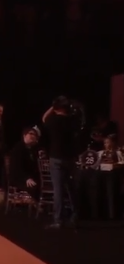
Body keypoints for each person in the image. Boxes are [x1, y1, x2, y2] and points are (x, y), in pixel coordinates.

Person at [42, 96, 78, 229]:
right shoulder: (72, 120)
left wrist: (52, 107)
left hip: (56, 157)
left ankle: (58, 220)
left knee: (58, 190)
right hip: (70, 158)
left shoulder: (53, 120)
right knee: (71, 188)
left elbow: (44, 118)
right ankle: (75, 216)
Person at [8, 126, 41, 200]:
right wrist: (26, 178)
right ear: (24, 135)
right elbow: (16, 167)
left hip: (31, 177)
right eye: (31, 134)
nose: (33, 136)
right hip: (19, 178)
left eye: (35, 135)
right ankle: (37, 204)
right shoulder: (18, 148)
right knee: (34, 187)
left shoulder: (34, 150)